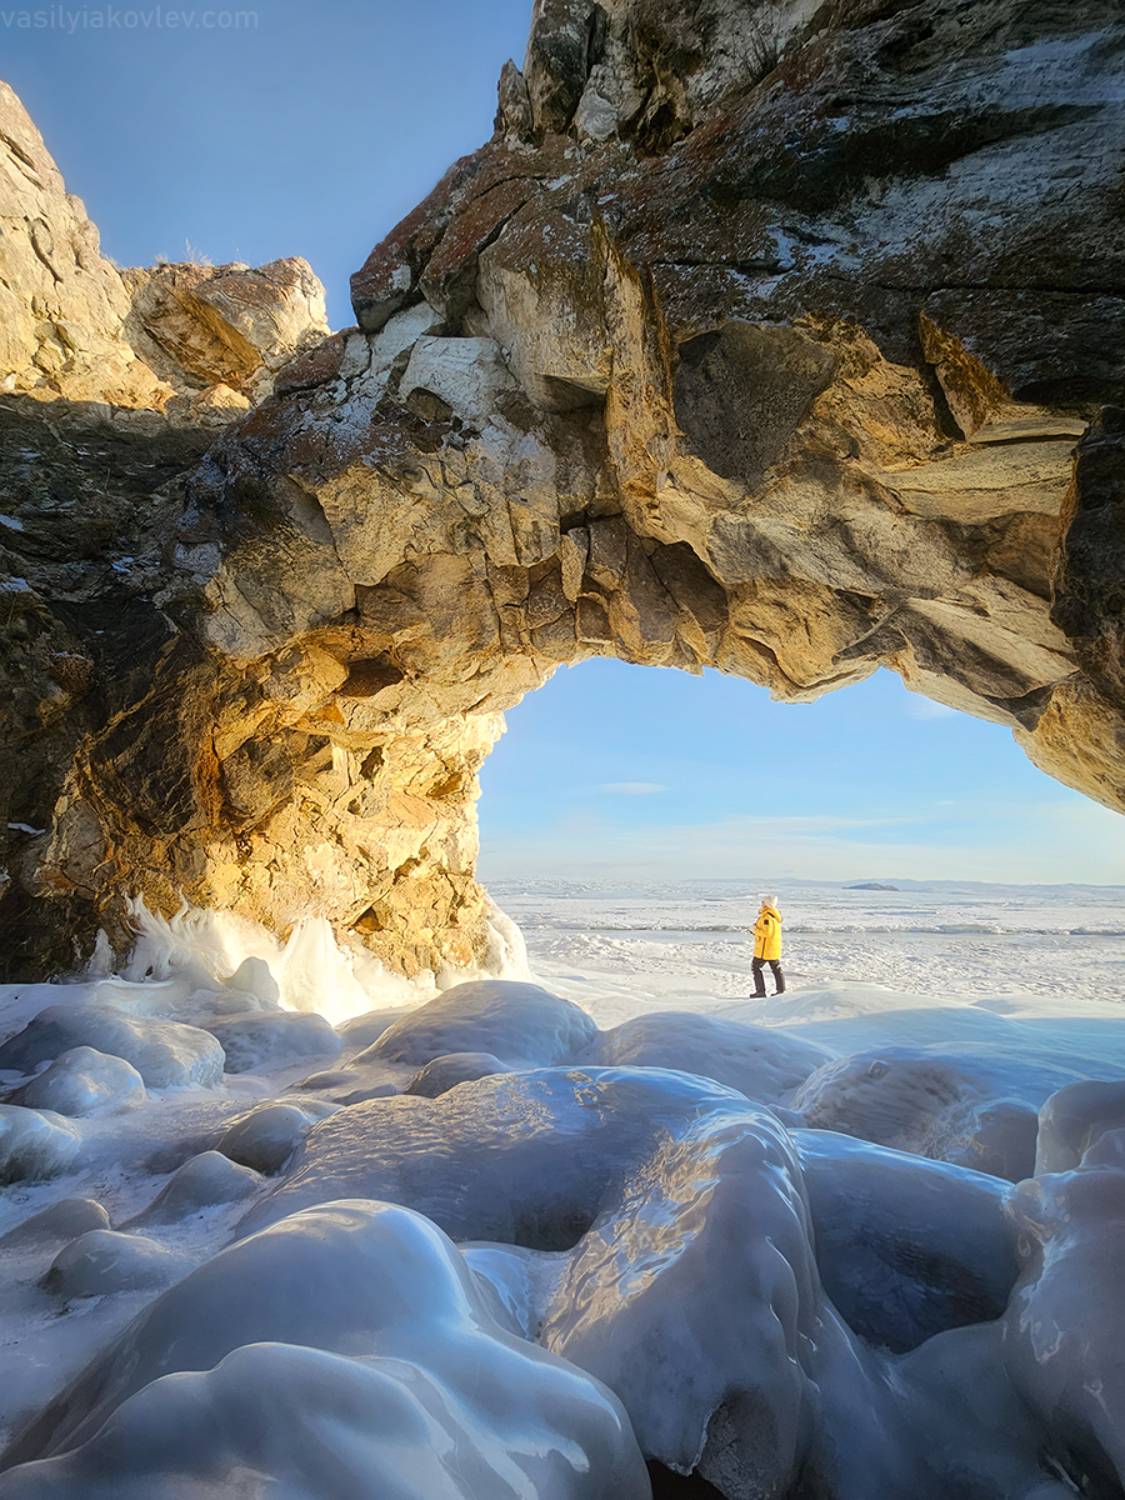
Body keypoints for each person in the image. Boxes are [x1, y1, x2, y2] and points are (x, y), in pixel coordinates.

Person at [750, 894, 785, 997]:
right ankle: (781, 991)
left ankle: (760, 992)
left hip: (765, 950)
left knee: (755, 967)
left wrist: (754, 929)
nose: (761, 903)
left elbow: (766, 933)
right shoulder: (773, 915)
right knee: (776, 969)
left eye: (763, 902)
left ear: (767, 904)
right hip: (772, 948)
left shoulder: (767, 918)